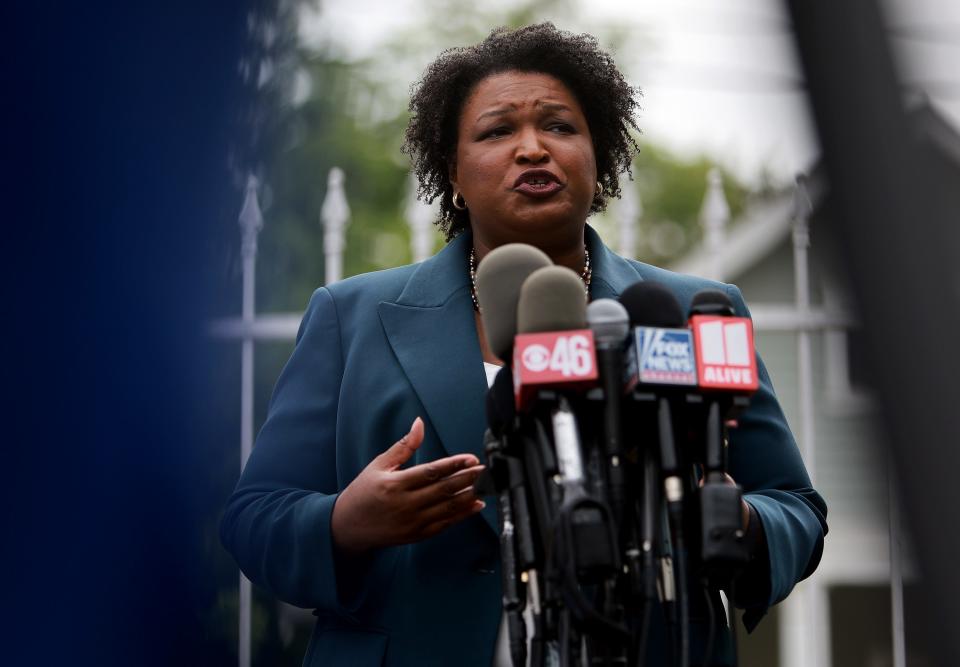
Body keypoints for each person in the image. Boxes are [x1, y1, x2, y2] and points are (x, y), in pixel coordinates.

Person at [220, 23, 827, 667]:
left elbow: (796, 510)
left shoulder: (689, 313)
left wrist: (739, 523)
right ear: (452, 171)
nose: (533, 148)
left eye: (561, 127)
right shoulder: (352, 316)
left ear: (600, 157)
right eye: (497, 130)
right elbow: (256, 517)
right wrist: (343, 523)